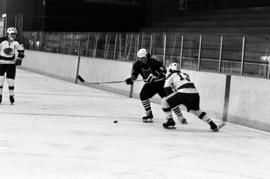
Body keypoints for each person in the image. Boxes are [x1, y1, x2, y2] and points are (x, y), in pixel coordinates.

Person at [125, 48, 187, 123]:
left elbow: (164, 70)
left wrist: (155, 75)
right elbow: (134, 76)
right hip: (150, 85)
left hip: (161, 84)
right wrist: (131, 79)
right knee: (143, 95)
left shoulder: (154, 62)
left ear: (146, 56)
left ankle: (180, 116)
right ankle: (149, 113)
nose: (142, 60)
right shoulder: (137, 64)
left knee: (170, 99)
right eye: (140, 58)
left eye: (143, 58)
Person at [161, 62, 225, 131]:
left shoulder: (171, 75)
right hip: (195, 93)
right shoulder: (185, 74)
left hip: (183, 92)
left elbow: (166, 88)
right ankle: (213, 125)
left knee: (164, 101)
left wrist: (171, 100)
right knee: (197, 111)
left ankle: (170, 120)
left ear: (170, 70)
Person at [0, 27, 25, 104]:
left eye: (14, 34)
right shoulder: (1, 41)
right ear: (8, 34)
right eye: (12, 34)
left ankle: (11, 96)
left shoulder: (17, 42)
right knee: (0, 80)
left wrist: (19, 58)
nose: (13, 36)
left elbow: (21, 51)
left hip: (11, 63)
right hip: (1, 63)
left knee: (11, 80)